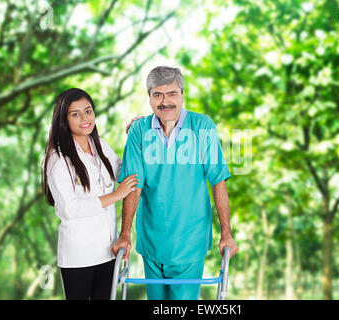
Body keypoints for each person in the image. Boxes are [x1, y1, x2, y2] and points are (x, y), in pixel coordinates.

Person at [112, 66, 238, 300]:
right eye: (157, 95)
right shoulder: (139, 131)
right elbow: (133, 185)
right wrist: (125, 235)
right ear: (149, 98)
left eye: (172, 94)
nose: (165, 101)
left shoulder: (202, 127)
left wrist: (226, 234)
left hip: (190, 240)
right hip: (152, 239)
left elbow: (218, 182)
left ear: (182, 95)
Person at [42, 88, 139, 300]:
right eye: (75, 114)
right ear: (63, 119)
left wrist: (134, 137)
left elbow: (122, 172)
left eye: (88, 111)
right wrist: (116, 196)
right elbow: (71, 209)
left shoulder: (99, 145)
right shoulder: (57, 159)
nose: (85, 118)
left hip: (107, 252)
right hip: (79, 256)